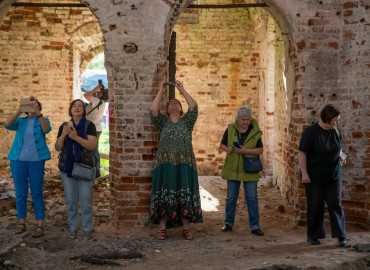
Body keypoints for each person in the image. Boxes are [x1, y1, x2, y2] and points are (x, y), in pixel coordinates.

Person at [148, 80, 203, 240]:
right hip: (165, 165)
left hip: (184, 164)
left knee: (184, 194)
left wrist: (182, 90)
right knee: (165, 194)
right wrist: (160, 90)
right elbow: (153, 109)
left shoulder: (187, 122)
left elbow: (194, 107)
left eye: (176, 103)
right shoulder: (162, 123)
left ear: (180, 109)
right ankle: (162, 229)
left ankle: (186, 229)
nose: (173, 104)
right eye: (170, 103)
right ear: (167, 110)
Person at [298, 104, 347, 246]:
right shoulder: (311, 133)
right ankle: (313, 235)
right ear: (327, 119)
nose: (338, 123)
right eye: (335, 120)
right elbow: (302, 153)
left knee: (335, 204)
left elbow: (338, 149)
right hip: (314, 177)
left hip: (333, 176)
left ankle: (341, 236)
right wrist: (304, 173)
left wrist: (341, 156)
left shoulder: (336, 130)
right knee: (315, 205)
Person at [4, 97, 52, 238]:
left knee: (37, 193)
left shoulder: (43, 119)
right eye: (29, 104)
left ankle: (39, 224)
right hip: (18, 162)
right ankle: (22, 222)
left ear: (39, 105)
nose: (32, 105)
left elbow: (46, 129)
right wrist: (20, 109)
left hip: (36, 162)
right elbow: (7, 124)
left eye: (34, 102)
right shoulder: (21, 121)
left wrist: (38, 112)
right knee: (21, 193)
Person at [55, 99, 97, 240]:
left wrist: (75, 137)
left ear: (84, 110)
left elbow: (91, 145)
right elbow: (58, 147)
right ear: (70, 109)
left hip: (85, 167)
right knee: (71, 200)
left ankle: (87, 229)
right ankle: (73, 229)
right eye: (74, 106)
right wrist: (63, 135)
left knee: (86, 199)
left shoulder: (89, 126)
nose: (77, 108)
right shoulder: (64, 126)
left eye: (80, 106)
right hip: (67, 168)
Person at [219, 106, 264, 236]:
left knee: (252, 198)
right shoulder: (230, 129)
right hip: (233, 169)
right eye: (243, 119)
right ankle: (228, 223)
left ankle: (255, 226)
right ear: (238, 119)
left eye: (248, 119)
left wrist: (245, 151)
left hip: (250, 169)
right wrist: (227, 149)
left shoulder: (255, 132)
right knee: (231, 198)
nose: (245, 122)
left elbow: (260, 150)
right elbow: (222, 145)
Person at [84, 84, 108, 178]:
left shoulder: (98, 101)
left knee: (93, 151)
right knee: (93, 150)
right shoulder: (101, 103)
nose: (97, 93)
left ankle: (96, 172)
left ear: (102, 94)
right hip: (95, 129)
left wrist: (94, 90)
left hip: (91, 130)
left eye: (99, 92)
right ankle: (95, 171)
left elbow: (86, 95)